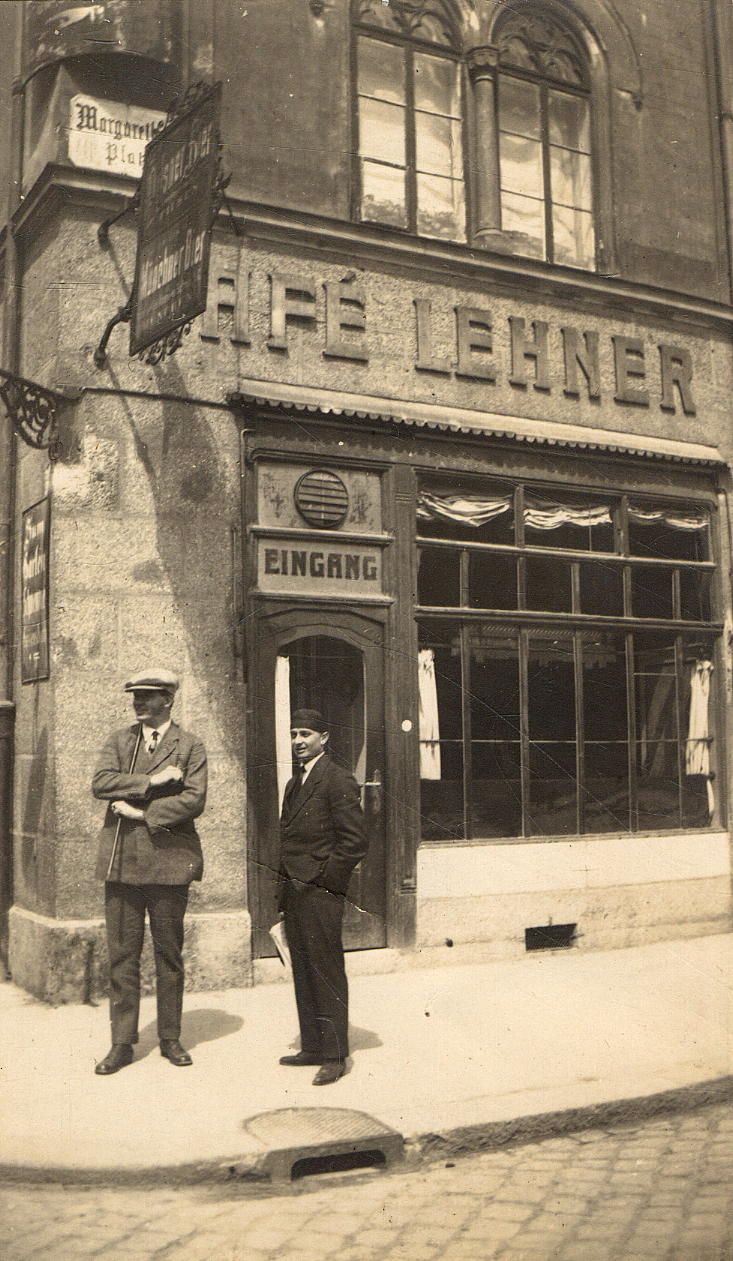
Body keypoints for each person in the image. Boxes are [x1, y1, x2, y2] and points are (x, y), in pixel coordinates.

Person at [91, 669, 207, 1076]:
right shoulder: (120, 741)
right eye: (135, 696)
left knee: (167, 953)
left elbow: (194, 800)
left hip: (169, 864)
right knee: (122, 956)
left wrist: (142, 812)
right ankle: (121, 1043)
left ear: (168, 700)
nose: (138, 702)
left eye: (148, 696)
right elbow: (102, 783)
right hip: (122, 864)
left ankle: (171, 1037)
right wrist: (154, 780)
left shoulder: (190, 746)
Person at [278, 708, 368, 1085]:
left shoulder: (337, 779)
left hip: (320, 891)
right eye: (294, 734)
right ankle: (313, 1044)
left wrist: (324, 880)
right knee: (302, 966)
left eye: (306, 735)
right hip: (295, 889)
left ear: (324, 738)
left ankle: (335, 1054)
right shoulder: (294, 783)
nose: (299, 741)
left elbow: (355, 842)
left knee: (326, 969)